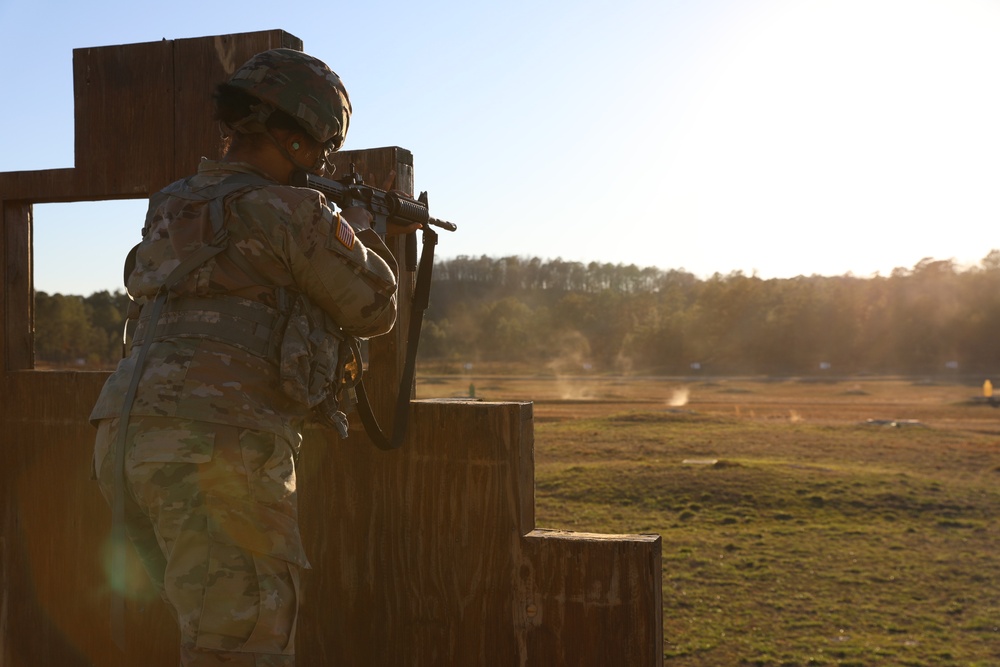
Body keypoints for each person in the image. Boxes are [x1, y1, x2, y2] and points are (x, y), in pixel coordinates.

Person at [89, 48, 412, 666]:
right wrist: (361, 228)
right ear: (294, 140)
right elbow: (374, 309)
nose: (320, 163)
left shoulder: (172, 201)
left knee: (207, 630)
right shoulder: (296, 211)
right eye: (318, 148)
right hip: (217, 450)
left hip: (124, 438)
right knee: (245, 646)